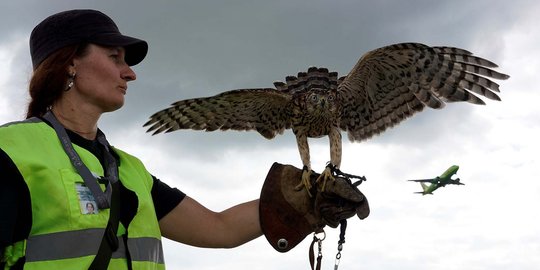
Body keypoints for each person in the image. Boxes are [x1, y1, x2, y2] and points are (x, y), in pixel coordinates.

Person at [0, 9, 368, 270]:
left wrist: (308, 198)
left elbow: (218, 228)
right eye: (114, 57)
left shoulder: (128, 170)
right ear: (69, 64)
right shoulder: (12, 153)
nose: (129, 74)